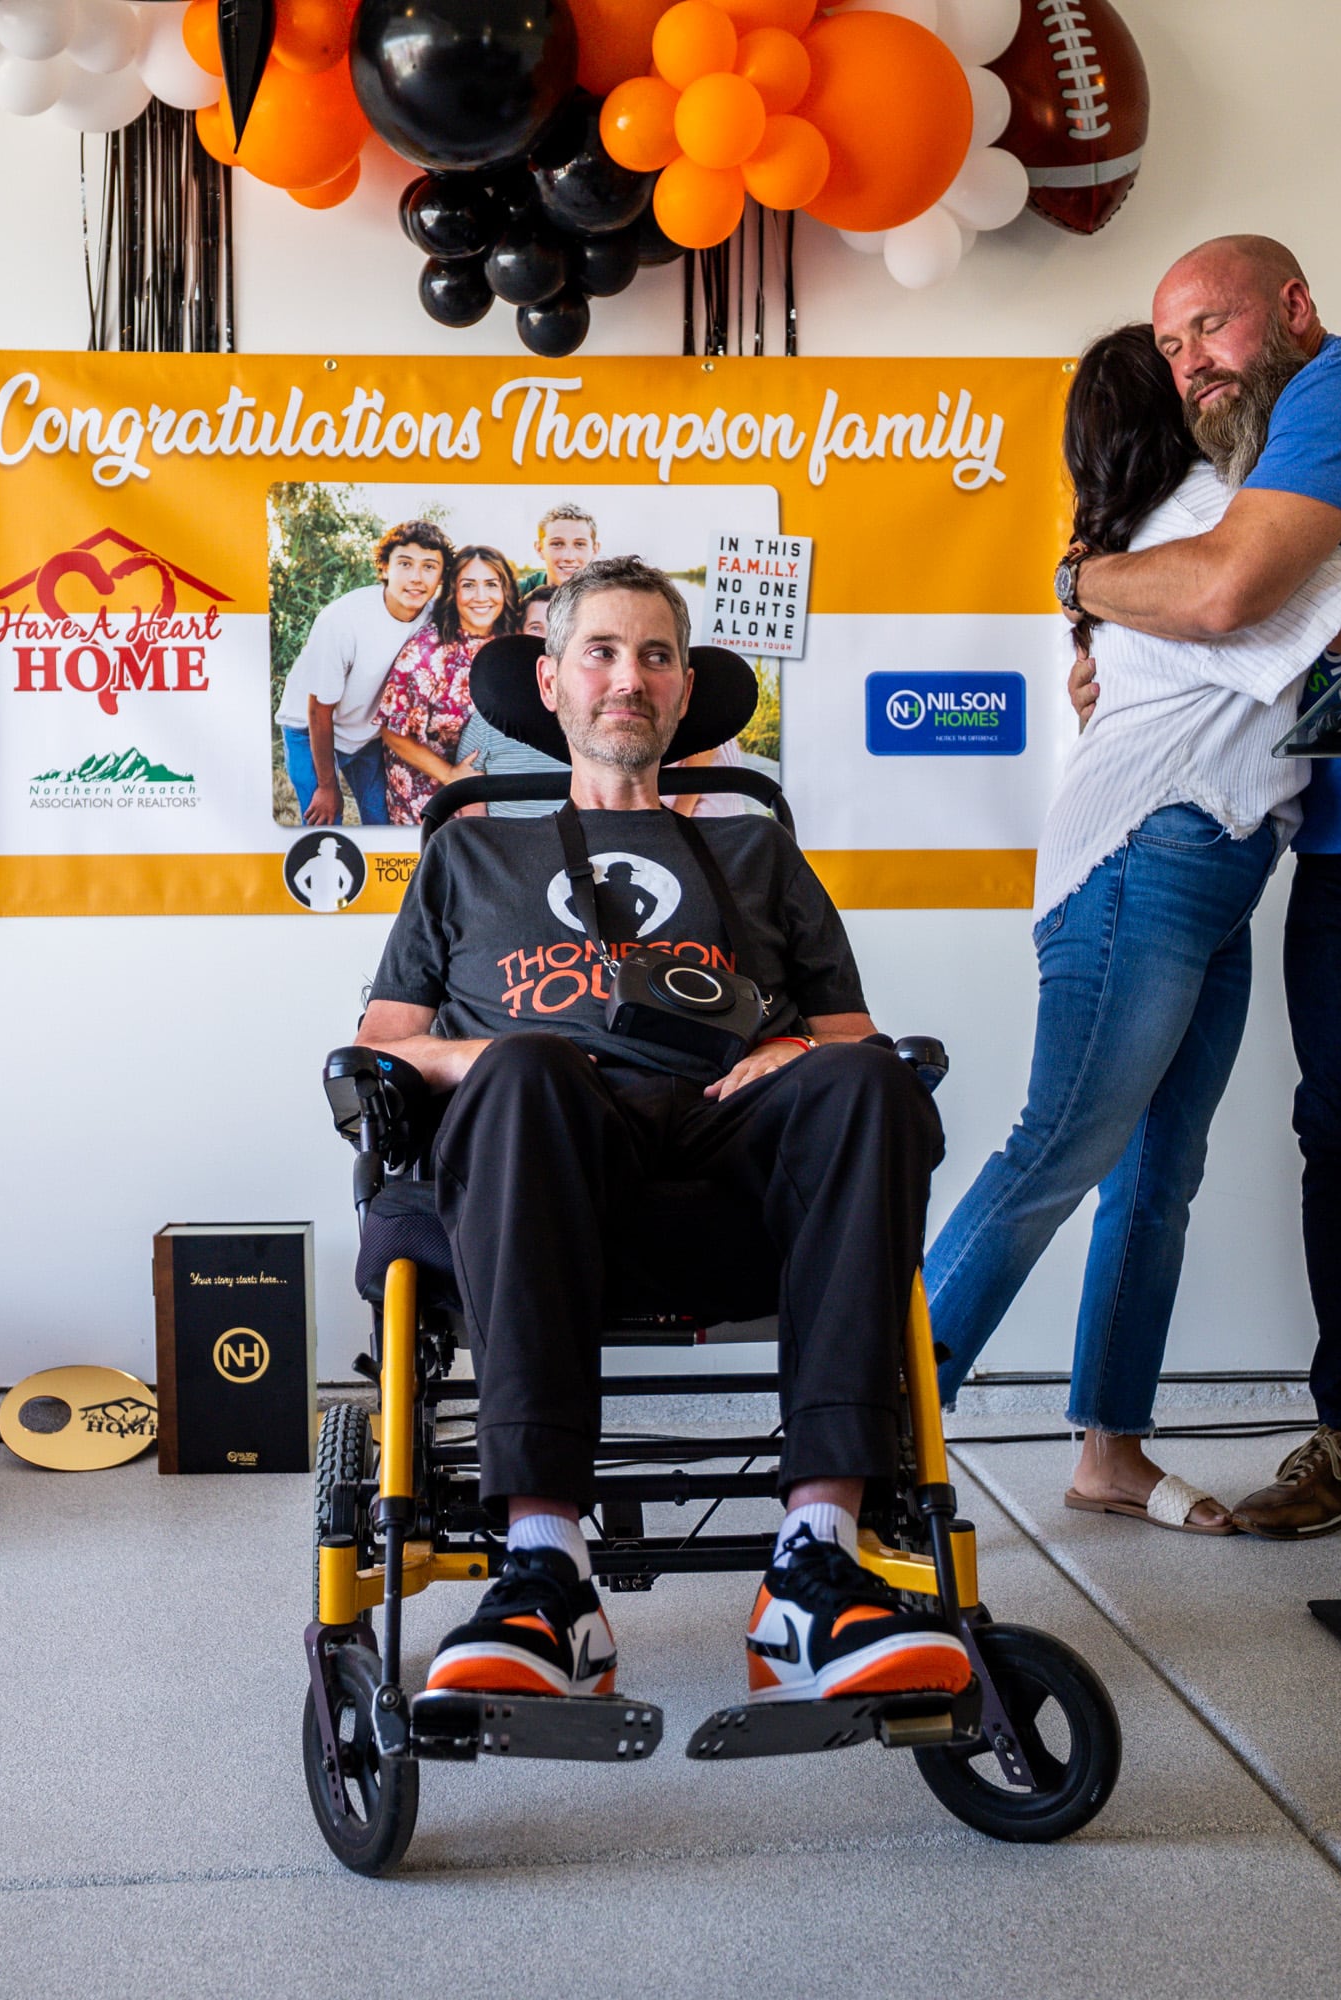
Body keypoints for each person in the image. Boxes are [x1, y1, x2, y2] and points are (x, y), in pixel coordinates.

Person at [927, 326, 1341, 1534]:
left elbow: (1312, 675)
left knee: (1160, 1173)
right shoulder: (1206, 520)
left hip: (1219, 859)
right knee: (1055, 1150)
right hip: (1147, 857)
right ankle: (867, 1428)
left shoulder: (1165, 532)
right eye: (1183, 366)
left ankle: (1107, 1449)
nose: (1212, 379)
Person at [355, 554, 970, 1706]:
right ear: (552, 683)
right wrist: (491, 1056)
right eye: (601, 651)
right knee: (529, 1069)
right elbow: (381, 1045)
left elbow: (856, 1033)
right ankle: (547, 1570)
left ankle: (815, 1567)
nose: (627, 677)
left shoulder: (758, 850)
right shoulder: (469, 852)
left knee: (871, 1082)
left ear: (686, 692)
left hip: (737, 1164)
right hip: (545, 1163)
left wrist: (805, 1051)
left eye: (655, 656)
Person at [275, 521, 450, 827]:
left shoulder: (433, 616)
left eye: (429, 567)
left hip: (366, 733)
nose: (416, 578)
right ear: (384, 568)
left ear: (440, 576)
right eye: (405, 564)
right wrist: (328, 787)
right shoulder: (343, 620)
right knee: (324, 822)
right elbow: (318, 709)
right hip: (309, 727)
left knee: (381, 820)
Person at [373, 543, 516, 824]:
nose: (481, 596)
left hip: (487, 797)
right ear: (453, 592)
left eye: (491, 584)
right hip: (429, 795)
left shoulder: (510, 641)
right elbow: (392, 733)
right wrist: (450, 776)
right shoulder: (427, 653)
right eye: (469, 585)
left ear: (505, 591)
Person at [450, 584, 571, 820]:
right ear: (519, 633)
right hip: (505, 850)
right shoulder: (489, 716)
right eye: (536, 627)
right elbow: (469, 798)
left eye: (558, 629)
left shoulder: (596, 714)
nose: (546, 638)